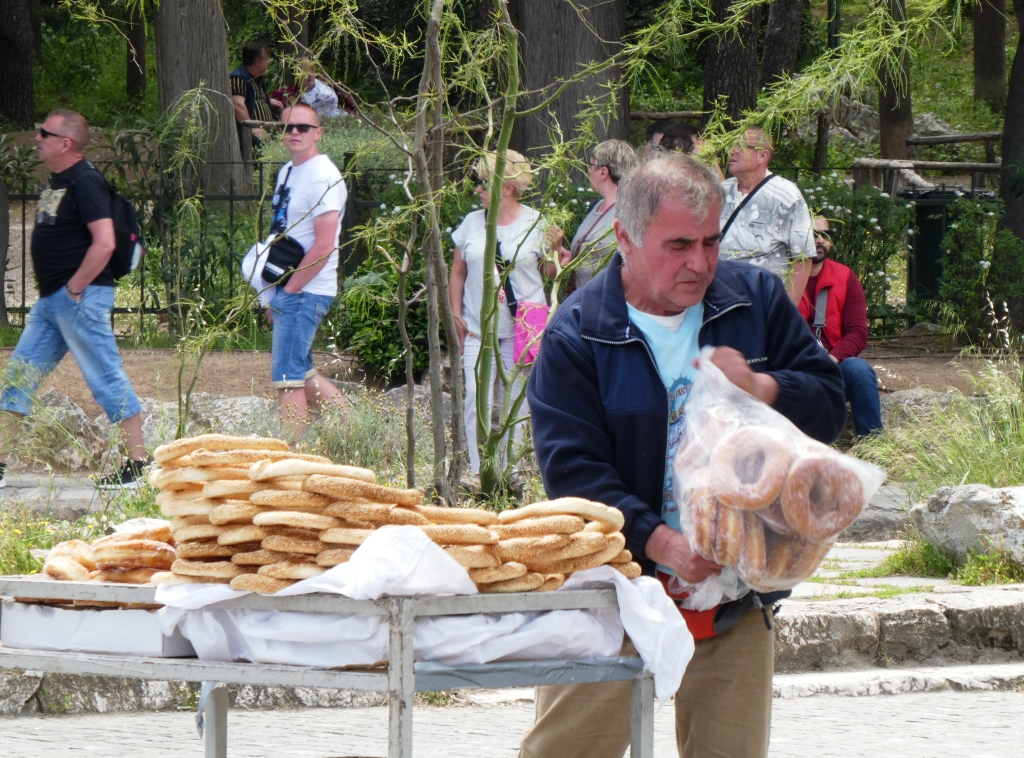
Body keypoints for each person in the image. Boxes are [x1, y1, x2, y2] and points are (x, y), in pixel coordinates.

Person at [521, 152, 845, 758]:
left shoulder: (755, 299)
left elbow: (830, 404)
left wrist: (763, 387)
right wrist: (663, 543)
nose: (699, 263)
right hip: (614, 590)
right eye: (678, 245)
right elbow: (574, 475)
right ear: (626, 237)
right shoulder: (577, 332)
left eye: (710, 242)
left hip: (736, 593)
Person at [0, 110, 150, 489]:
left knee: (104, 376)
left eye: (44, 133)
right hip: (53, 302)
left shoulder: (85, 181)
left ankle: (139, 465)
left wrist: (75, 289)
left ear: (66, 143)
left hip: (79, 299)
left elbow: (105, 243)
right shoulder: (59, 181)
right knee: (19, 377)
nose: (37, 138)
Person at [448, 150, 550, 475]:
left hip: (522, 330)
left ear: (506, 187)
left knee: (515, 402)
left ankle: (510, 473)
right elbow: (457, 273)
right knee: (474, 399)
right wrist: (455, 314)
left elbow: (549, 273)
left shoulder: (536, 223)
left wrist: (556, 249)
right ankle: (479, 472)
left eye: (482, 182)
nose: (476, 188)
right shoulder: (471, 223)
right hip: (478, 329)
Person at [265, 103, 349, 438]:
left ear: (318, 133)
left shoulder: (323, 176)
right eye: (287, 127)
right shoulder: (288, 171)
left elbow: (324, 245)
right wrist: (271, 293)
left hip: (304, 290)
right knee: (301, 370)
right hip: (289, 287)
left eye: (303, 127)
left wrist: (286, 293)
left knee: (287, 378)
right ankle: (358, 434)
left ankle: (290, 454)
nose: (294, 132)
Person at [799, 217, 883, 438]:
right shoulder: (782, 277)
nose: (820, 240)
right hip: (795, 370)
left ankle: (873, 447)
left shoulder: (845, 277)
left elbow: (858, 333)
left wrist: (831, 359)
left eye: (826, 235)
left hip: (833, 368)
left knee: (859, 370)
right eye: (813, 234)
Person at [719, 126, 814, 304]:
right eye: (732, 145)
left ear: (762, 156)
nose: (732, 151)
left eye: (741, 146)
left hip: (763, 302)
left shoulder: (786, 196)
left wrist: (786, 310)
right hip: (719, 299)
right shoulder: (719, 192)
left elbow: (803, 258)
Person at [546, 140, 638, 290]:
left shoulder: (630, 212)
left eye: (591, 165)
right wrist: (571, 256)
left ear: (603, 172)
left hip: (609, 297)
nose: (589, 171)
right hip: (584, 297)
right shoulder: (595, 206)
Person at [230, 41, 282, 146]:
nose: (269, 62)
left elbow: (254, 98)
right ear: (257, 62)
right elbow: (237, 105)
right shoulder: (238, 78)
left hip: (265, 134)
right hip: (250, 138)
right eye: (266, 59)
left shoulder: (257, 79)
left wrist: (269, 101)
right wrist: (252, 128)